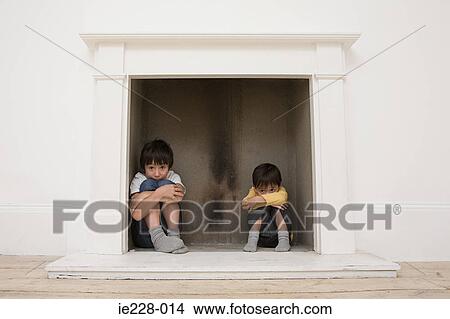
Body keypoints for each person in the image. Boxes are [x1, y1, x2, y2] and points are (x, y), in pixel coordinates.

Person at [129, 139, 188, 254]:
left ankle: (174, 236)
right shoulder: (139, 178)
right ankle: (158, 238)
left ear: (169, 167)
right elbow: (136, 213)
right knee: (148, 184)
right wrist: (160, 193)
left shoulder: (172, 176)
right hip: (146, 235)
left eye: (162, 167)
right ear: (144, 167)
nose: (157, 173)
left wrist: (171, 189)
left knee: (166, 183)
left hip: (169, 234)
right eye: (151, 168)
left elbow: (179, 195)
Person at [242, 163, 291, 252]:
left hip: (277, 237)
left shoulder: (281, 191)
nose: (268, 193)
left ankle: (284, 240)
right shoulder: (253, 191)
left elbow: (281, 198)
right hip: (260, 238)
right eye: (262, 190)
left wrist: (259, 199)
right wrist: (265, 202)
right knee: (259, 210)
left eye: (272, 190)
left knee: (280, 208)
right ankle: (252, 241)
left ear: (279, 185)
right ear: (255, 188)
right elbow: (245, 204)